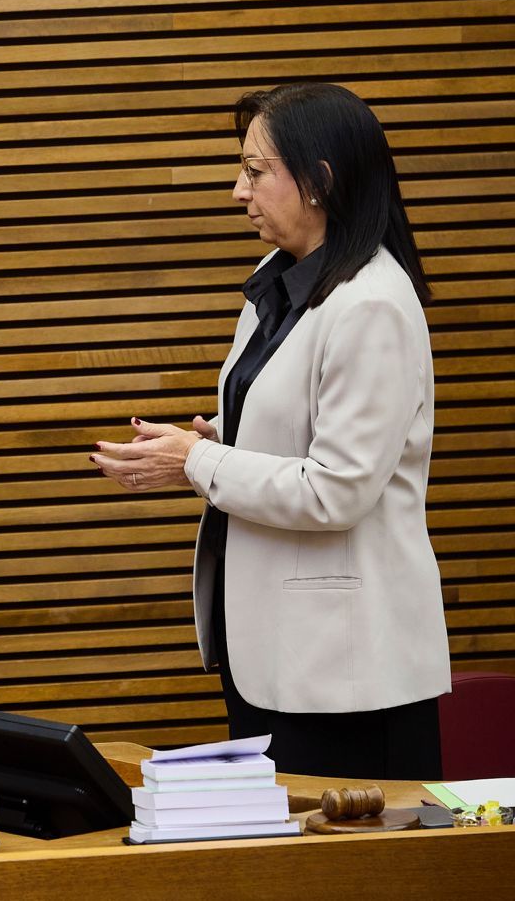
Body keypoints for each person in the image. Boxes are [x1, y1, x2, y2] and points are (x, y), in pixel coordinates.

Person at [90, 82, 450, 779]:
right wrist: (207, 445)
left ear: (320, 182)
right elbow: (292, 431)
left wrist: (198, 462)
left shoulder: (372, 304)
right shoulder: (278, 278)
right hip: (275, 654)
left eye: (255, 172)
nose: (239, 192)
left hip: (346, 673)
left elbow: (337, 490)